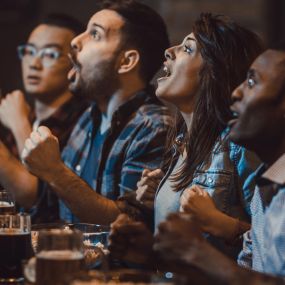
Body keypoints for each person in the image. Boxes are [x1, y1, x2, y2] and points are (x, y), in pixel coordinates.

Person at [109, 13, 263, 259]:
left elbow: (277, 245)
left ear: (215, 72)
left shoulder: (239, 147)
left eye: (187, 49)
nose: (169, 51)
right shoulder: (180, 145)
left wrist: (221, 224)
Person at [21, 0, 171, 224]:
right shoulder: (88, 118)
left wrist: (55, 172)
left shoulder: (154, 127)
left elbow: (127, 223)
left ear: (126, 61)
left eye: (95, 34)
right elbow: (49, 209)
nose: (75, 41)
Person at [154, 45, 285, 284]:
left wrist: (198, 251)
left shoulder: (237, 152)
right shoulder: (266, 183)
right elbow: (248, 269)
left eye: (252, 83)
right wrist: (148, 253)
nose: (236, 93)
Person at [0, 14, 88, 222]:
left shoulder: (82, 122)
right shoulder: (24, 112)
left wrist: (18, 123)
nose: (34, 64)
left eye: (49, 54)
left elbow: (36, 196)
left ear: (75, 63)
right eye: (29, 52)